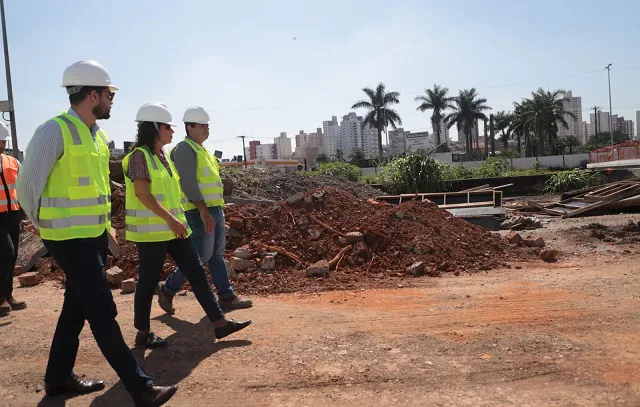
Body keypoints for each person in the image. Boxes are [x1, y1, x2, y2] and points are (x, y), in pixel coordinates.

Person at [17, 60, 177, 406]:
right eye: (109, 94)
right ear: (92, 94)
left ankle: (58, 378)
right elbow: (27, 187)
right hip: (66, 240)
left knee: (76, 308)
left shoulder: (97, 137)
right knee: (103, 311)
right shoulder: (54, 131)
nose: (111, 100)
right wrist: (46, 227)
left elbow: (97, 191)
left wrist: (106, 231)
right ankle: (141, 388)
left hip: (92, 238)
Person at [123, 103, 251, 349]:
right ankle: (143, 332)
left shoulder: (162, 157)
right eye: (167, 127)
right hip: (152, 232)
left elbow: (170, 195)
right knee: (148, 282)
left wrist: (175, 221)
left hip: (174, 229)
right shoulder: (139, 156)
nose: (172, 131)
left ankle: (220, 323)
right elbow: (143, 194)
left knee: (197, 273)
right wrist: (171, 219)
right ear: (153, 128)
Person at [157, 106, 251, 315]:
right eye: (202, 126)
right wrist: (203, 210)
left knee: (216, 255)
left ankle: (226, 296)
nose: (207, 129)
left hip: (214, 209)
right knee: (200, 257)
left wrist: (214, 210)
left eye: (208, 125)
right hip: (198, 212)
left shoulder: (203, 150)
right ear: (189, 127)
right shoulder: (184, 149)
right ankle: (169, 288)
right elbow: (189, 183)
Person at [0, 122, 25, 315]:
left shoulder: (13, 162)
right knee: (6, 253)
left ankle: (8, 295)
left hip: (13, 215)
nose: (1, 144)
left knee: (13, 255)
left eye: (2, 141)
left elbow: (22, 185)